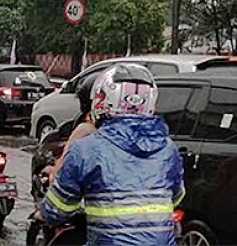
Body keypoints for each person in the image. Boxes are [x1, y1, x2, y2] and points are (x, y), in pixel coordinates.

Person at [38, 64, 185, 246]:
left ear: (103, 101)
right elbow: (176, 195)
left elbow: (58, 208)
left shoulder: (87, 149)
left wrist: (43, 212)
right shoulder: (168, 148)